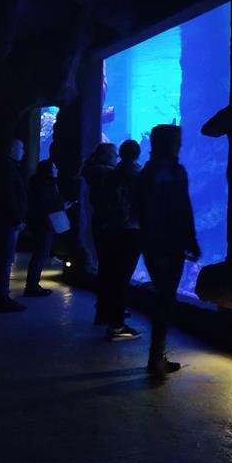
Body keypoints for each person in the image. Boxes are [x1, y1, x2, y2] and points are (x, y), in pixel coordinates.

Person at [137, 125, 199, 377]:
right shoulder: (167, 173)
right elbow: (173, 209)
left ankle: (158, 356)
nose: (180, 145)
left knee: (165, 298)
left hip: (161, 244)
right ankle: (156, 359)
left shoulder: (150, 171)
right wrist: (182, 241)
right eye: (176, 141)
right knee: (165, 299)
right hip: (165, 245)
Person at [96, 139, 143, 340]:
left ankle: (108, 315)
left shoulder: (110, 175)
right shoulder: (138, 175)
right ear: (137, 154)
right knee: (122, 278)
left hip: (110, 230)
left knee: (111, 275)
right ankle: (117, 325)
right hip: (130, 231)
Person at [0, 138, 28, 312]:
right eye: (21, 148)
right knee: (4, 260)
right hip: (8, 222)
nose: (24, 151)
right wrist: (17, 219)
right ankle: (2, 298)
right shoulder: (7, 168)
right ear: (11, 149)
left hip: (3, 220)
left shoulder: (2, 166)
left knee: (1, 259)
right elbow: (8, 197)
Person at [82, 142, 118, 324]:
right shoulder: (106, 173)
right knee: (110, 268)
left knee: (105, 267)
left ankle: (104, 308)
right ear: (105, 156)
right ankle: (108, 309)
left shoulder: (95, 171)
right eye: (114, 154)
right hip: (107, 224)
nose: (117, 157)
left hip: (100, 222)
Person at [24, 159, 70, 296]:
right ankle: (32, 286)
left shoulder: (38, 181)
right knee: (41, 254)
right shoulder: (44, 183)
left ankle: (32, 284)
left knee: (40, 253)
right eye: (54, 167)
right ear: (48, 169)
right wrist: (62, 205)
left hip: (40, 222)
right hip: (43, 223)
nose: (57, 170)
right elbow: (48, 202)